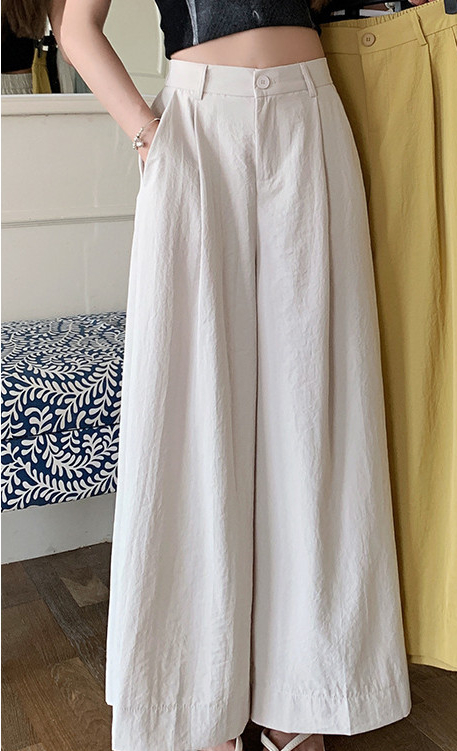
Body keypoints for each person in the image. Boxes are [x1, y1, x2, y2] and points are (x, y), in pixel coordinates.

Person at [58, 1, 424, 750]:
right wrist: (147, 132)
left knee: (317, 408)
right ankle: (192, 704)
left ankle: (306, 695)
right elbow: (75, 26)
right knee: (191, 414)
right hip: (196, 128)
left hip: (312, 111)